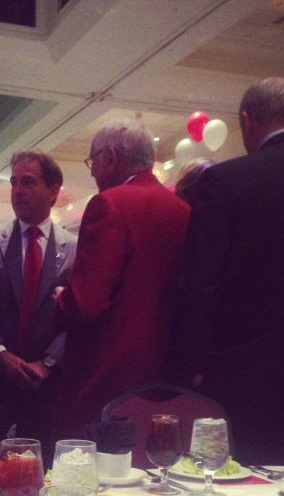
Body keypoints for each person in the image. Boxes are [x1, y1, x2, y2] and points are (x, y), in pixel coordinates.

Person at [180, 77, 284, 464]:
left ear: (247, 121)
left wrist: (195, 363)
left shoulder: (226, 181)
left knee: (245, 476)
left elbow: (203, 282)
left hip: (247, 369)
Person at [54, 117, 190, 438]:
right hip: (163, 371)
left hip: (104, 373)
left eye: (93, 160)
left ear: (111, 157)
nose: (92, 171)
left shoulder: (109, 204)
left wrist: (60, 300)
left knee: (87, 461)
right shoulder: (183, 210)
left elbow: (85, 303)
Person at [0, 149, 77, 472]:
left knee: (38, 478)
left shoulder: (75, 250)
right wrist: (0, 355)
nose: (17, 190)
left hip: (45, 389)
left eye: (28, 182)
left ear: (53, 191)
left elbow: (78, 316)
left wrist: (48, 363)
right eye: (13, 182)